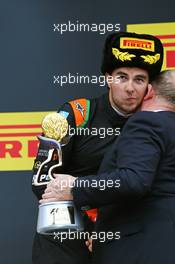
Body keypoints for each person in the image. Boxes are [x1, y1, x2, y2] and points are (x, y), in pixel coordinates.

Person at [32, 31, 163, 264]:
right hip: (65, 236)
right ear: (107, 78)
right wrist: (91, 225)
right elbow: (42, 181)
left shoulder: (157, 126)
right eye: (122, 77)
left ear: (149, 87)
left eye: (139, 79)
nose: (130, 88)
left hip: (123, 238)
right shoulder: (76, 114)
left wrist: (106, 230)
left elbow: (149, 189)